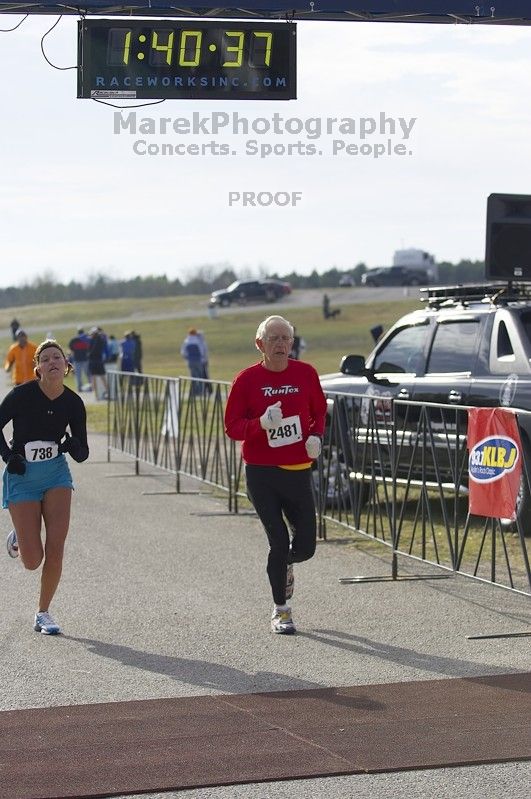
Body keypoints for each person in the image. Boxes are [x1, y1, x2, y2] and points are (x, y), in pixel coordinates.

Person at [224, 315, 327, 635]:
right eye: (273, 339)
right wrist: (261, 425)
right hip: (262, 473)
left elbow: (320, 410)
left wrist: (317, 437)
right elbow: (232, 428)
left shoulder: (306, 373)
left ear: (292, 343)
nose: (280, 344)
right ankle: (281, 610)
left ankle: (285, 565)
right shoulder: (246, 380)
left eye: (286, 338)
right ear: (260, 344)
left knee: (306, 546)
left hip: (297, 471)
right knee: (278, 542)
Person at [0, 339, 89, 635]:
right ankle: (20, 536)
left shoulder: (73, 403)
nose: (53, 362)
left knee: (56, 548)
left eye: (58, 358)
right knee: (32, 561)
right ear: (38, 368)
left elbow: (82, 452)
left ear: (66, 366)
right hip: (22, 475)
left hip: (55, 476)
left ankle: (43, 613)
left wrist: (72, 445)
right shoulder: (21, 395)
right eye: (46, 358)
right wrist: (8, 456)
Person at [181, 327, 207, 395]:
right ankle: (201, 391)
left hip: (190, 361)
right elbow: (202, 351)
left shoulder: (186, 341)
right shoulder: (198, 341)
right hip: (198, 361)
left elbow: (183, 352)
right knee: (200, 376)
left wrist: (188, 358)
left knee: (193, 376)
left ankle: (195, 391)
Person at [68, 327, 91, 392]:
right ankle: (91, 386)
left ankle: (79, 388)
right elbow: (89, 348)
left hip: (77, 359)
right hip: (85, 359)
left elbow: (71, 349)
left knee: (78, 375)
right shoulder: (86, 339)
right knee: (88, 374)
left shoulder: (73, 340)